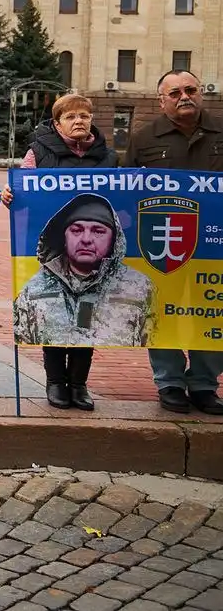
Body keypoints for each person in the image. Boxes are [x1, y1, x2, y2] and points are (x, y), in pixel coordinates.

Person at [1, 93, 118, 410]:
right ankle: (55, 382)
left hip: (94, 256)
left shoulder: (108, 157)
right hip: (54, 253)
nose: (79, 121)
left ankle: (78, 384)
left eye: (84, 115)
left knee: (86, 318)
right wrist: (10, 193)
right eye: (71, 117)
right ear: (57, 123)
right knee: (54, 315)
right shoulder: (38, 152)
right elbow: (22, 185)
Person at [126, 70, 223, 415]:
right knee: (161, 313)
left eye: (191, 90)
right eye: (175, 92)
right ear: (161, 100)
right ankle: (169, 382)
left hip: (216, 248)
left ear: (201, 93)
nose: (184, 96)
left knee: (212, 312)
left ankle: (204, 385)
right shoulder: (144, 138)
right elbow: (126, 191)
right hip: (161, 246)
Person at [14, 193, 154, 350]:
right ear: (64, 238)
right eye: (76, 230)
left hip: (109, 372)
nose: (86, 239)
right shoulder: (34, 289)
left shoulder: (139, 287)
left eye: (98, 231)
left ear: (114, 239)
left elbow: (158, 337)